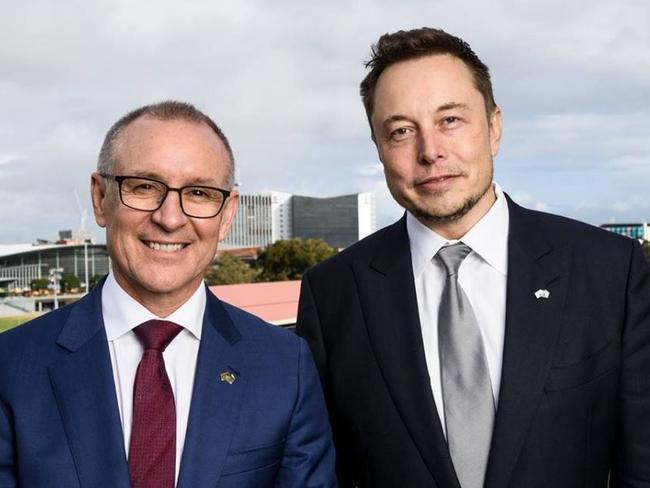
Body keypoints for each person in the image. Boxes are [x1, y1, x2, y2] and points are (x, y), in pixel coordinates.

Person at [297, 28, 650, 488]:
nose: (430, 152)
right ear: (379, 148)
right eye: (401, 131)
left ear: (494, 127)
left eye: (450, 120)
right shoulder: (332, 292)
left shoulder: (608, 270)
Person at [0, 101, 336, 488]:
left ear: (227, 214)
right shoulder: (12, 369)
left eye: (198, 193)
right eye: (144, 186)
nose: (170, 218)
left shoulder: (284, 366)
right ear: (99, 198)